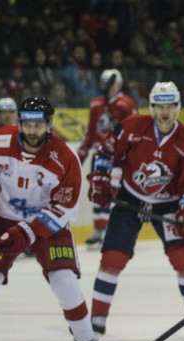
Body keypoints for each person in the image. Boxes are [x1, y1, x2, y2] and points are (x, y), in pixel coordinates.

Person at [88, 81, 184, 340]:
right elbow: (106, 150)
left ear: (178, 107)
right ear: (151, 107)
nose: (165, 112)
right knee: (112, 259)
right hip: (130, 200)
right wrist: (100, 179)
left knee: (183, 258)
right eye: (159, 106)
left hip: (168, 205)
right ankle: (96, 319)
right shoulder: (131, 127)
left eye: (170, 106)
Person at [0, 97, 107, 341]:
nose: (32, 131)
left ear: (49, 125)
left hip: (47, 226)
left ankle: (86, 339)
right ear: (19, 123)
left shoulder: (66, 158)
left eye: (38, 125)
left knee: (65, 281)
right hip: (3, 220)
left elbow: (63, 208)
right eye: (27, 124)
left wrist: (27, 232)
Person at [78, 69, 138, 248]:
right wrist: (84, 149)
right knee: (98, 191)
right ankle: (99, 229)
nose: (106, 88)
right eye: (104, 84)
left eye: (109, 84)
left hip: (118, 157)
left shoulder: (126, 104)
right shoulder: (96, 104)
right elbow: (91, 131)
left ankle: (111, 231)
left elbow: (134, 130)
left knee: (114, 194)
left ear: (117, 85)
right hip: (99, 156)